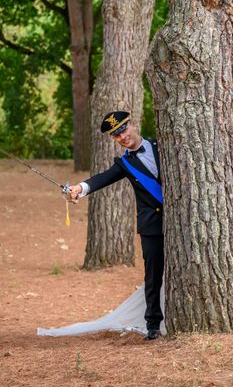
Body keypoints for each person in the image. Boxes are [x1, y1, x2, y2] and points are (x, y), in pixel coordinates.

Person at [37, 111, 165, 341]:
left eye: (123, 129)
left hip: (177, 221)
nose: (122, 137)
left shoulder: (161, 144)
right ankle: (153, 323)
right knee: (153, 275)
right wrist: (79, 188)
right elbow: (102, 178)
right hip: (152, 224)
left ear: (133, 125)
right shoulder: (125, 163)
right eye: (116, 135)